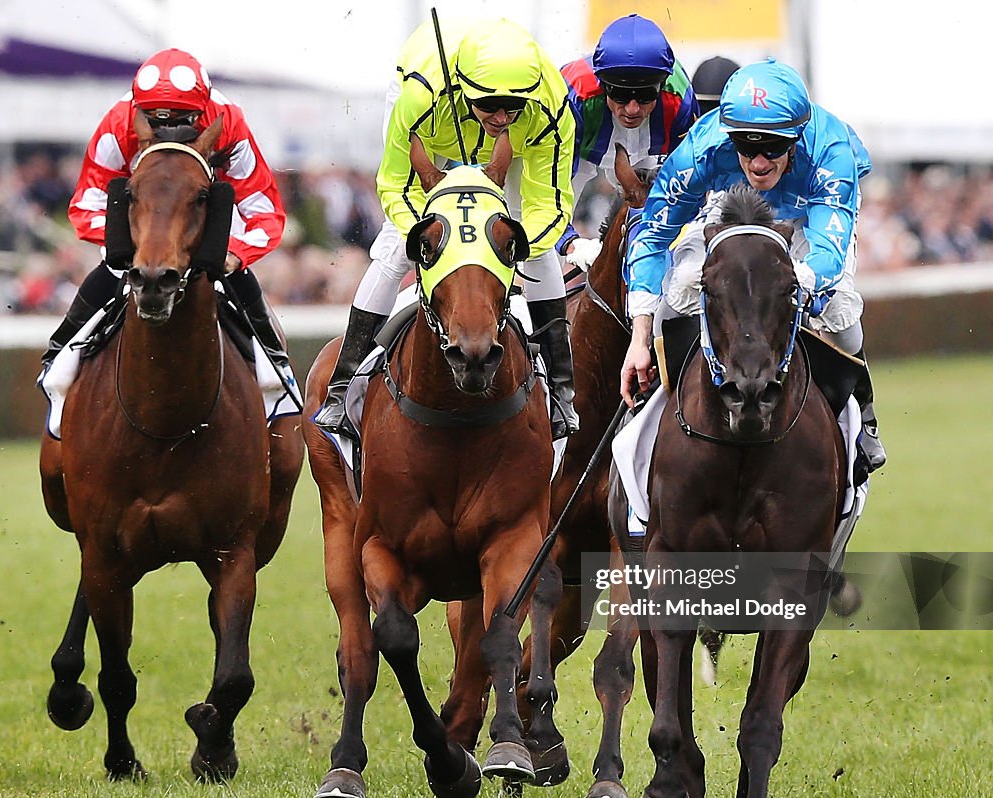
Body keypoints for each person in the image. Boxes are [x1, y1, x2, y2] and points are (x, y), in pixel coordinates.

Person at [314, 17, 579, 440]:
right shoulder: (419, 97)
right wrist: (423, 236)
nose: (501, 116)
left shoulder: (550, 106)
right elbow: (397, 187)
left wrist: (516, 247)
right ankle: (342, 386)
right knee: (395, 247)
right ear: (465, 88)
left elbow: (548, 202)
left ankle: (563, 393)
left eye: (513, 107)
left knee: (543, 252)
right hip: (430, 119)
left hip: (494, 142)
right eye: (489, 104)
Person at [621, 58, 887, 471]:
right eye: (746, 147)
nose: (759, 162)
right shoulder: (703, 150)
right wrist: (640, 336)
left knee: (838, 310)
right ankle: (655, 405)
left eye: (773, 147)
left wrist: (793, 288)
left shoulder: (831, 152)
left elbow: (827, 254)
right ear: (730, 138)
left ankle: (862, 412)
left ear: (797, 138)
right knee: (683, 288)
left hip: (809, 215)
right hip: (734, 205)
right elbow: (653, 234)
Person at [43, 48, 290, 375]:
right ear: (138, 111)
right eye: (156, 121)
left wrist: (233, 254)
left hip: (202, 228)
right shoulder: (119, 121)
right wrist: (134, 244)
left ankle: (279, 375)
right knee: (112, 267)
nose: (169, 131)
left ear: (203, 111)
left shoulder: (228, 120)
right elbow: (86, 204)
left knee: (238, 277)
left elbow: (265, 212)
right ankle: (56, 364)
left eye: (181, 122)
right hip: (139, 233)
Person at [557, 14, 698, 271]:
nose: (632, 109)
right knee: (542, 248)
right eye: (620, 94)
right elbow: (545, 197)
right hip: (582, 150)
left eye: (645, 95)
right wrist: (571, 244)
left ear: (662, 86)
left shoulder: (680, 102)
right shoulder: (573, 98)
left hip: (648, 152)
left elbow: (690, 191)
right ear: (602, 86)